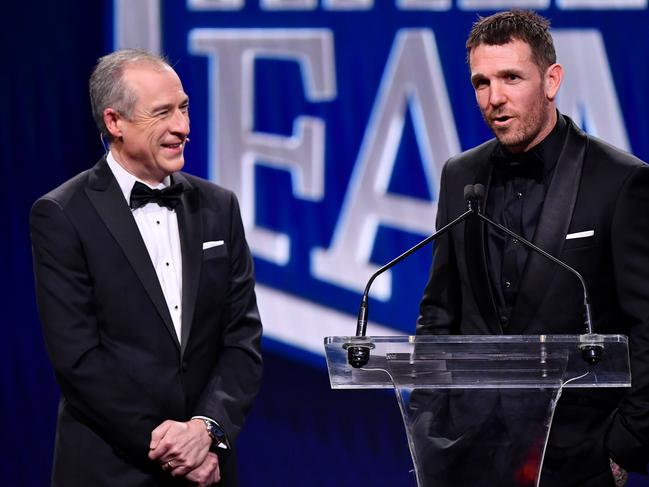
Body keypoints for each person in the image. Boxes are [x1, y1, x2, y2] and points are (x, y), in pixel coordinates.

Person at [417, 10, 649, 487]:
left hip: (577, 458)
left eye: (511, 78)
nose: (494, 99)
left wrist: (624, 442)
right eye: (482, 82)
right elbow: (439, 310)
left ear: (551, 80)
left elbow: (647, 327)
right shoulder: (460, 176)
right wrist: (428, 420)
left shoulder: (619, 181)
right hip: (470, 453)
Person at [30, 49, 262, 486]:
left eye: (184, 108)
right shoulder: (62, 214)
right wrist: (171, 447)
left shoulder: (219, 207)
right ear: (114, 122)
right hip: (110, 468)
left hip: (208, 469)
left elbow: (241, 341)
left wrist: (206, 430)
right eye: (163, 113)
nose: (183, 127)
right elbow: (77, 359)